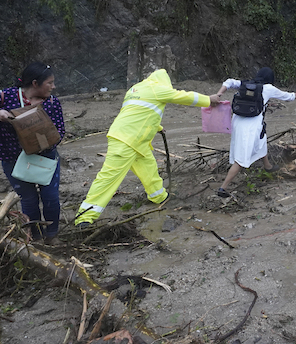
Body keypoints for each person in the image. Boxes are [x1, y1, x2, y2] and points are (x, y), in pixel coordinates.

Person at [75, 69, 219, 227]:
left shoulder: (136, 89)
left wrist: (157, 127)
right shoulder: (157, 89)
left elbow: (140, 113)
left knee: (149, 169)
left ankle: (159, 197)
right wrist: (208, 100)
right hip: (127, 140)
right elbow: (182, 96)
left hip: (133, 139)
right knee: (108, 178)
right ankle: (84, 217)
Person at [0, 62, 65, 245]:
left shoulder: (52, 102)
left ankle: (52, 235)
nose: (53, 87)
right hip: (13, 158)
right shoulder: (4, 97)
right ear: (35, 83)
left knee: (50, 197)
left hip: (45, 157)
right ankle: (35, 237)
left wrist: (46, 142)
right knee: (28, 199)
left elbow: (60, 132)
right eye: (49, 83)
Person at [215, 67, 296, 197]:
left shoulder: (245, 84)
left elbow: (228, 81)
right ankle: (223, 188)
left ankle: (267, 166)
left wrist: (219, 94)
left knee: (261, 140)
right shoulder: (268, 88)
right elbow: (288, 97)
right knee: (241, 159)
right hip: (250, 126)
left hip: (237, 122)